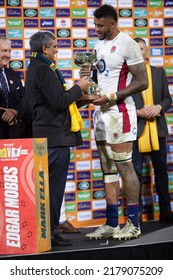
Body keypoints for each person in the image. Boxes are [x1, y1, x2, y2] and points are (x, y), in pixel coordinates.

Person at [83, 4, 148, 240]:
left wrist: (112, 96)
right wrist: (87, 88)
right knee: (108, 170)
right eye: (95, 24)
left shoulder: (127, 43)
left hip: (120, 113)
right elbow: (97, 77)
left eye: (101, 25)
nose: (96, 28)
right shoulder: (98, 44)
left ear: (113, 23)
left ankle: (133, 223)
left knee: (124, 167)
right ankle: (111, 223)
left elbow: (142, 82)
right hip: (101, 115)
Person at [25, 30, 88, 246]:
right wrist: (79, 88)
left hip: (49, 135)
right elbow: (60, 100)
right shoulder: (43, 69)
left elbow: (56, 101)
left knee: (48, 188)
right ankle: (49, 232)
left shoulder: (37, 66)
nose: (56, 50)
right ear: (44, 48)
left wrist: (80, 97)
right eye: (54, 46)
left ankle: (47, 231)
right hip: (53, 137)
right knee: (53, 188)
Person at [132, 37, 173, 223]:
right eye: (136, 49)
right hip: (136, 130)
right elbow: (123, 103)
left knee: (161, 172)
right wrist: (138, 112)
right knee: (135, 174)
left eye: (142, 48)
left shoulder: (158, 72)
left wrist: (158, 108)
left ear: (146, 51)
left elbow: (167, 99)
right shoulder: (127, 76)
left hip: (158, 129)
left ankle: (166, 211)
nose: (140, 52)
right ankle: (136, 216)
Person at [0, 36, 27, 138]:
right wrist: (6, 115)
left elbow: (24, 98)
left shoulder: (14, 75)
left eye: (9, 51)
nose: (8, 55)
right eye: (4, 51)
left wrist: (15, 112)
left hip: (13, 134)